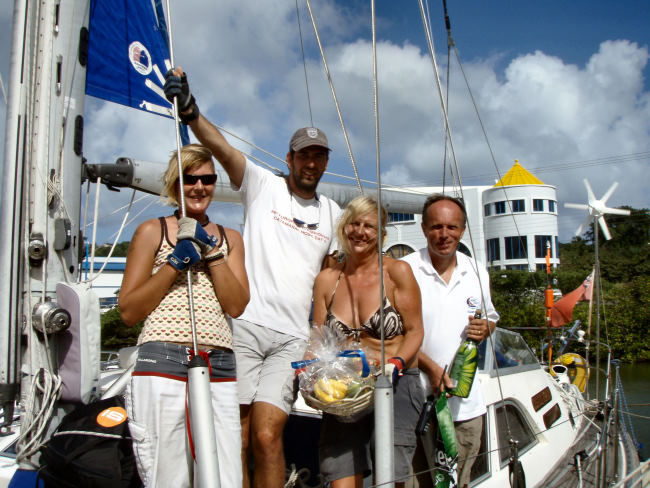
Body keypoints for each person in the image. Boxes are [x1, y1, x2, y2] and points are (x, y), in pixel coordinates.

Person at [164, 68, 342, 488]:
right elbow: (220, 147)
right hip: (241, 329)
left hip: (291, 338)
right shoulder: (263, 185)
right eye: (304, 155)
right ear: (290, 159)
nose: (311, 163)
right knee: (237, 436)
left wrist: (327, 339)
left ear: (325, 161)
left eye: (318, 156)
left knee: (266, 435)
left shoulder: (334, 214)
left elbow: (334, 281)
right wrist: (190, 111)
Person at [119, 144, 250, 487]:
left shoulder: (230, 238)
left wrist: (213, 254)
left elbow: (237, 305)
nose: (199, 187)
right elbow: (129, 310)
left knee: (226, 476)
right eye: (189, 179)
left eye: (207, 179)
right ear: (174, 183)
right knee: (168, 476)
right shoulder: (152, 231)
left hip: (219, 361)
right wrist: (173, 263)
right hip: (162, 360)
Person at [310, 195, 424, 488]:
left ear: (381, 234)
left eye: (369, 226)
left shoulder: (397, 272)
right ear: (344, 228)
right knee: (339, 477)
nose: (360, 232)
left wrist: (396, 363)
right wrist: (309, 372)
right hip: (345, 391)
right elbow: (319, 335)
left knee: (391, 477)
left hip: (394, 383)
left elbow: (414, 331)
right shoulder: (327, 279)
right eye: (353, 224)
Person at [402, 194, 499, 488]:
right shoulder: (403, 269)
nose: (444, 235)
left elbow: (492, 316)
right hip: (412, 404)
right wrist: (431, 368)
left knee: (457, 483)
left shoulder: (476, 270)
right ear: (423, 228)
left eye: (452, 227)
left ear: (463, 230)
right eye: (436, 227)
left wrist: (487, 327)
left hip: (464, 408)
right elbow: (391, 338)